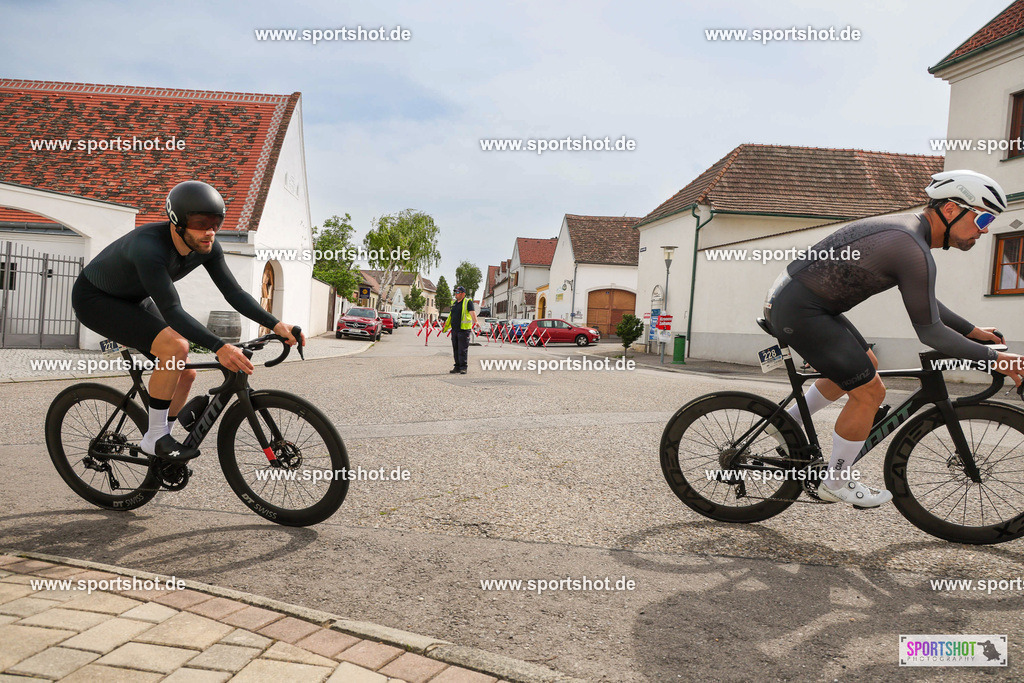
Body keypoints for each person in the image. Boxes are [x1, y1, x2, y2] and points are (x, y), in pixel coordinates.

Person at [764, 169, 1023, 508]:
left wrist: (974, 333)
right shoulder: (910, 246)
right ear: (950, 210)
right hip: (801, 310)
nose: (985, 230)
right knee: (870, 391)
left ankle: (786, 423)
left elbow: (926, 302)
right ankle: (835, 482)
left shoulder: (908, 236)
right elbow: (930, 332)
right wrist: (1000, 360)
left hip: (803, 305)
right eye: (984, 218)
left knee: (866, 364)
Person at [72, 180, 304, 461]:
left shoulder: (207, 246)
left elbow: (234, 292)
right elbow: (172, 310)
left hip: (133, 299)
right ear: (177, 222)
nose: (209, 232)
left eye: (216, 223)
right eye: (201, 223)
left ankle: (161, 442)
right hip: (95, 300)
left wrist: (277, 325)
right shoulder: (149, 247)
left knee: (186, 372)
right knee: (175, 348)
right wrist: (220, 347)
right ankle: (154, 438)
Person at [443, 285, 478, 374]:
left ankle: (463, 367)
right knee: (456, 349)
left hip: (463, 330)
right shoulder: (455, 303)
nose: (456, 294)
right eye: (455, 292)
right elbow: (451, 315)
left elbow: (472, 312)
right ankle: (457, 366)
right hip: (455, 329)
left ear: (463, 294)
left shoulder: (467, 302)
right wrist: (446, 326)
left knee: (462, 350)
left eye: (458, 292)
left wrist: (476, 321)